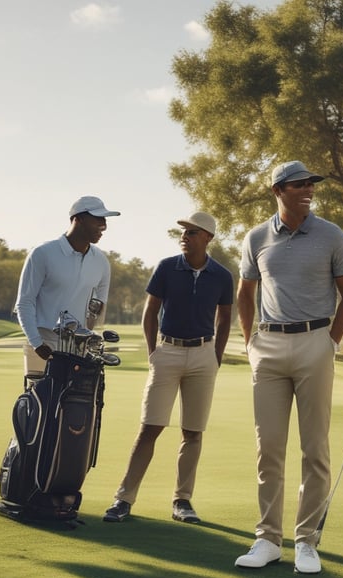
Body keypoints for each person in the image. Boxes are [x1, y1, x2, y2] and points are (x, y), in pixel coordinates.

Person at [234, 160, 343, 575]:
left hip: (314, 342)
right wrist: (250, 341)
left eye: (310, 184)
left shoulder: (331, 235)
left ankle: (306, 541)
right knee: (268, 447)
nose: (307, 190)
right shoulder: (256, 238)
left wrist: (329, 341)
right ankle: (267, 538)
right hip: (267, 346)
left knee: (314, 448)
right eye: (298, 185)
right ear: (277, 191)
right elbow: (245, 294)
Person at [103, 211, 233, 524]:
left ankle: (182, 501)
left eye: (191, 232)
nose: (184, 236)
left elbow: (225, 317)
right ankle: (123, 498)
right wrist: (153, 352)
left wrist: (215, 355)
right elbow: (150, 313)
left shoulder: (222, 275)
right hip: (168, 352)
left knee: (193, 431)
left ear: (207, 238)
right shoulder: (166, 268)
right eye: (184, 232)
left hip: (203, 356)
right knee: (150, 427)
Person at [14, 196, 120, 383]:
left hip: (80, 348)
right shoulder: (43, 254)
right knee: (41, 406)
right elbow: (25, 301)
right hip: (43, 343)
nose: (103, 225)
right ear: (77, 219)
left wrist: (88, 339)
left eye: (105, 220)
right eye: (98, 219)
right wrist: (37, 343)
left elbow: (97, 307)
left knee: (78, 407)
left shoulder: (101, 262)